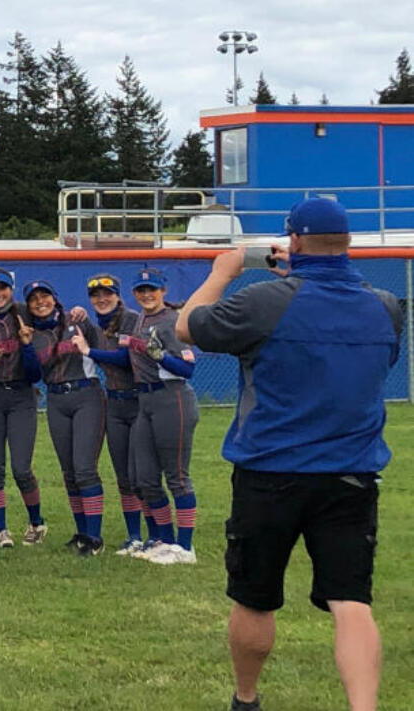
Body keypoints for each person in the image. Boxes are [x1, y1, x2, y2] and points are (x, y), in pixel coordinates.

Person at [176, 197, 400, 711]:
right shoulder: (385, 307)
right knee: (351, 601)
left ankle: (247, 698)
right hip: (351, 475)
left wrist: (222, 270)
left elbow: (189, 326)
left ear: (293, 241)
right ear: (347, 244)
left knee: (254, 597)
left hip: (269, 473)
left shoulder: (262, 301)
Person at [23, 279, 107, 556]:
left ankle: (95, 538)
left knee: (85, 468)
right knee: (69, 472)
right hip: (57, 399)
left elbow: (103, 349)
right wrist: (24, 346)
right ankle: (82, 533)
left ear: (55, 298)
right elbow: (33, 374)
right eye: (34, 299)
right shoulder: (31, 334)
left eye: (44, 296)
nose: (40, 302)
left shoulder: (77, 319)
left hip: (86, 395)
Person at [123, 269, 198, 565]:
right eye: (141, 290)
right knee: (145, 478)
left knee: (177, 475)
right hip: (146, 399)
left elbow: (188, 369)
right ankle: (165, 541)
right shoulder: (140, 318)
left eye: (152, 289)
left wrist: (161, 356)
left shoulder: (171, 320)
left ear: (163, 290)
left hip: (172, 397)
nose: (146, 295)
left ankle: (185, 547)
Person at [0, 268, 45, 548]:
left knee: (21, 468)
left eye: (2, 288)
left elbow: (36, 371)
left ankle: (36, 523)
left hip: (21, 395)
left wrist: (77, 313)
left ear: (11, 290)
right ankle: (2, 530)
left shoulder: (26, 313)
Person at [75, 273, 146, 554]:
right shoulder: (97, 325)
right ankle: (134, 536)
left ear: (118, 295)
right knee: (124, 476)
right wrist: (78, 316)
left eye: (107, 294)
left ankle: (156, 535)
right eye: (95, 296)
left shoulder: (131, 319)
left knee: (142, 474)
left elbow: (127, 359)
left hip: (139, 401)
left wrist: (90, 352)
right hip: (115, 404)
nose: (101, 299)